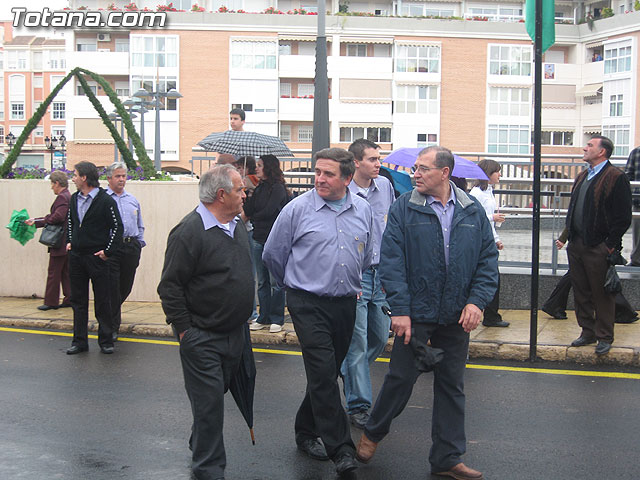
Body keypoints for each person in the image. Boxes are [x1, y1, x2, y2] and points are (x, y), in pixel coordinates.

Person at [356, 146, 498, 480]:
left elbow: (487, 260)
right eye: (415, 168)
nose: (415, 174)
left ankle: (447, 458)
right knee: (400, 380)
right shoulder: (404, 208)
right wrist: (400, 310)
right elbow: (391, 262)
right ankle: (373, 432)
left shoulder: (471, 209)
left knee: (452, 386)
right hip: (415, 314)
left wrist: (477, 302)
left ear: (445, 173)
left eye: (423, 169)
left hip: (455, 314)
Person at [263, 148, 373, 476]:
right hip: (306, 302)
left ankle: (304, 429)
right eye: (317, 172)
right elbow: (273, 254)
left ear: (347, 178)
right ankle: (341, 448)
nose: (319, 179)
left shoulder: (363, 209)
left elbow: (367, 255)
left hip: (345, 302)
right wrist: (293, 287)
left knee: (328, 371)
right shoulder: (297, 209)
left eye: (328, 174)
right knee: (324, 373)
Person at [157, 165, 253, 480]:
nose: (245, 193)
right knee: (210, 403)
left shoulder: (236, 224)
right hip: (202, 337)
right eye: (240, 189)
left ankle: (201, 441)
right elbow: (170, 286)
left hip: (235, 334)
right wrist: (186, 331)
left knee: (212, 397)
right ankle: (209, 469)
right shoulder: (188, 231)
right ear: (222, 194)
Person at [340, 138, 395, 429]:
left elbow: (393, 226)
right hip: (355, 274)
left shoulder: (384, 186)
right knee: (357, 342)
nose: (378, 164)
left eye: (379, 159)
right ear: (356, 162)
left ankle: (349, 372)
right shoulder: (343, 191)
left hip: (382, 273)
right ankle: (359, 405)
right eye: (373, 159)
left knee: (378, 335)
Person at [566, 136, 632, 355]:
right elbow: (574, 208)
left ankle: (604, 336)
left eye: (590, 146)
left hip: (598, 246)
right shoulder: (583, 175)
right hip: (577, 244)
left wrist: (609, 246)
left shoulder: (616, 177)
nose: (585, 148)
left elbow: (623, 217)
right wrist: (568, 237)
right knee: (581, 291)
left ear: (602, 152)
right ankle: (587, 331)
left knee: (602, 294)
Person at [66, 161, 123, 355]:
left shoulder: (106, 201)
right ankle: (79, 341)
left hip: (97, 258)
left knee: (103, 301)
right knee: (78, 301)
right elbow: (71, 222)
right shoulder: (74, 199)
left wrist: (107, 252)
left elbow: (117, 228)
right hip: (76, 257)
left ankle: (106, 340)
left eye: (75, 175)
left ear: (84, 177)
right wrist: (70, 241)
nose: (72, 178)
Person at [245, 155, 289, 333]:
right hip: (258, 237)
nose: (256, 169)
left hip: (274, 240)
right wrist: (247, 195)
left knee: (275, 282)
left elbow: (269, 211)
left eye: (260, 165)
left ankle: (277, 318)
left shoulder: (278, 189)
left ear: (268, 167)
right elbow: (249, 210)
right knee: (262, 281)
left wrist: (254, 214)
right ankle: (263, 316)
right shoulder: (259, 188)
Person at [105, 162, 146, 341]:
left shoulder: (132, 199)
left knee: (125, 286)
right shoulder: (103, 199)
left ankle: (109, 313)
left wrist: (139, 243)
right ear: (109, 178)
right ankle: (112, 327)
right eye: (118, 176)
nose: (122, 179)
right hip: (112, 248)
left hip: (131, 247)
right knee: (112, 288)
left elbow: (139, 223)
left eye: (123, 176)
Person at [469, 159, 509, 328]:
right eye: (497, 171)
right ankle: (491, 315)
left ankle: (492, 314)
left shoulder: (489, 191)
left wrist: (496, 238)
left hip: (488, 240)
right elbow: (475, 217)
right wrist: (492, 218)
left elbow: (488, 223)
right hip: (480, 242)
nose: (499, 174)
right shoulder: (477, 193)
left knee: (493, 278)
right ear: (488, 173)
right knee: (491, 277)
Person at [25, 170, 72, 311]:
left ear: (57, 183)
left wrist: (40, 221)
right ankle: (70, 299)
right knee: (66, 272)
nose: (51, 187)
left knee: (54, 272)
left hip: (59, 241)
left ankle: (51, 302)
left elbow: (57, 217)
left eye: (52, 184)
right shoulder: (68, 196)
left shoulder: (62, 198)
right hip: (67, 242)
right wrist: (38, 220)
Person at [623, 145, 640, 266]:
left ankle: (636, 259)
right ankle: (636, 260)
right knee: (638, 233)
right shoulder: (636, 152)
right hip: (638, 200)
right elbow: (628, 177)